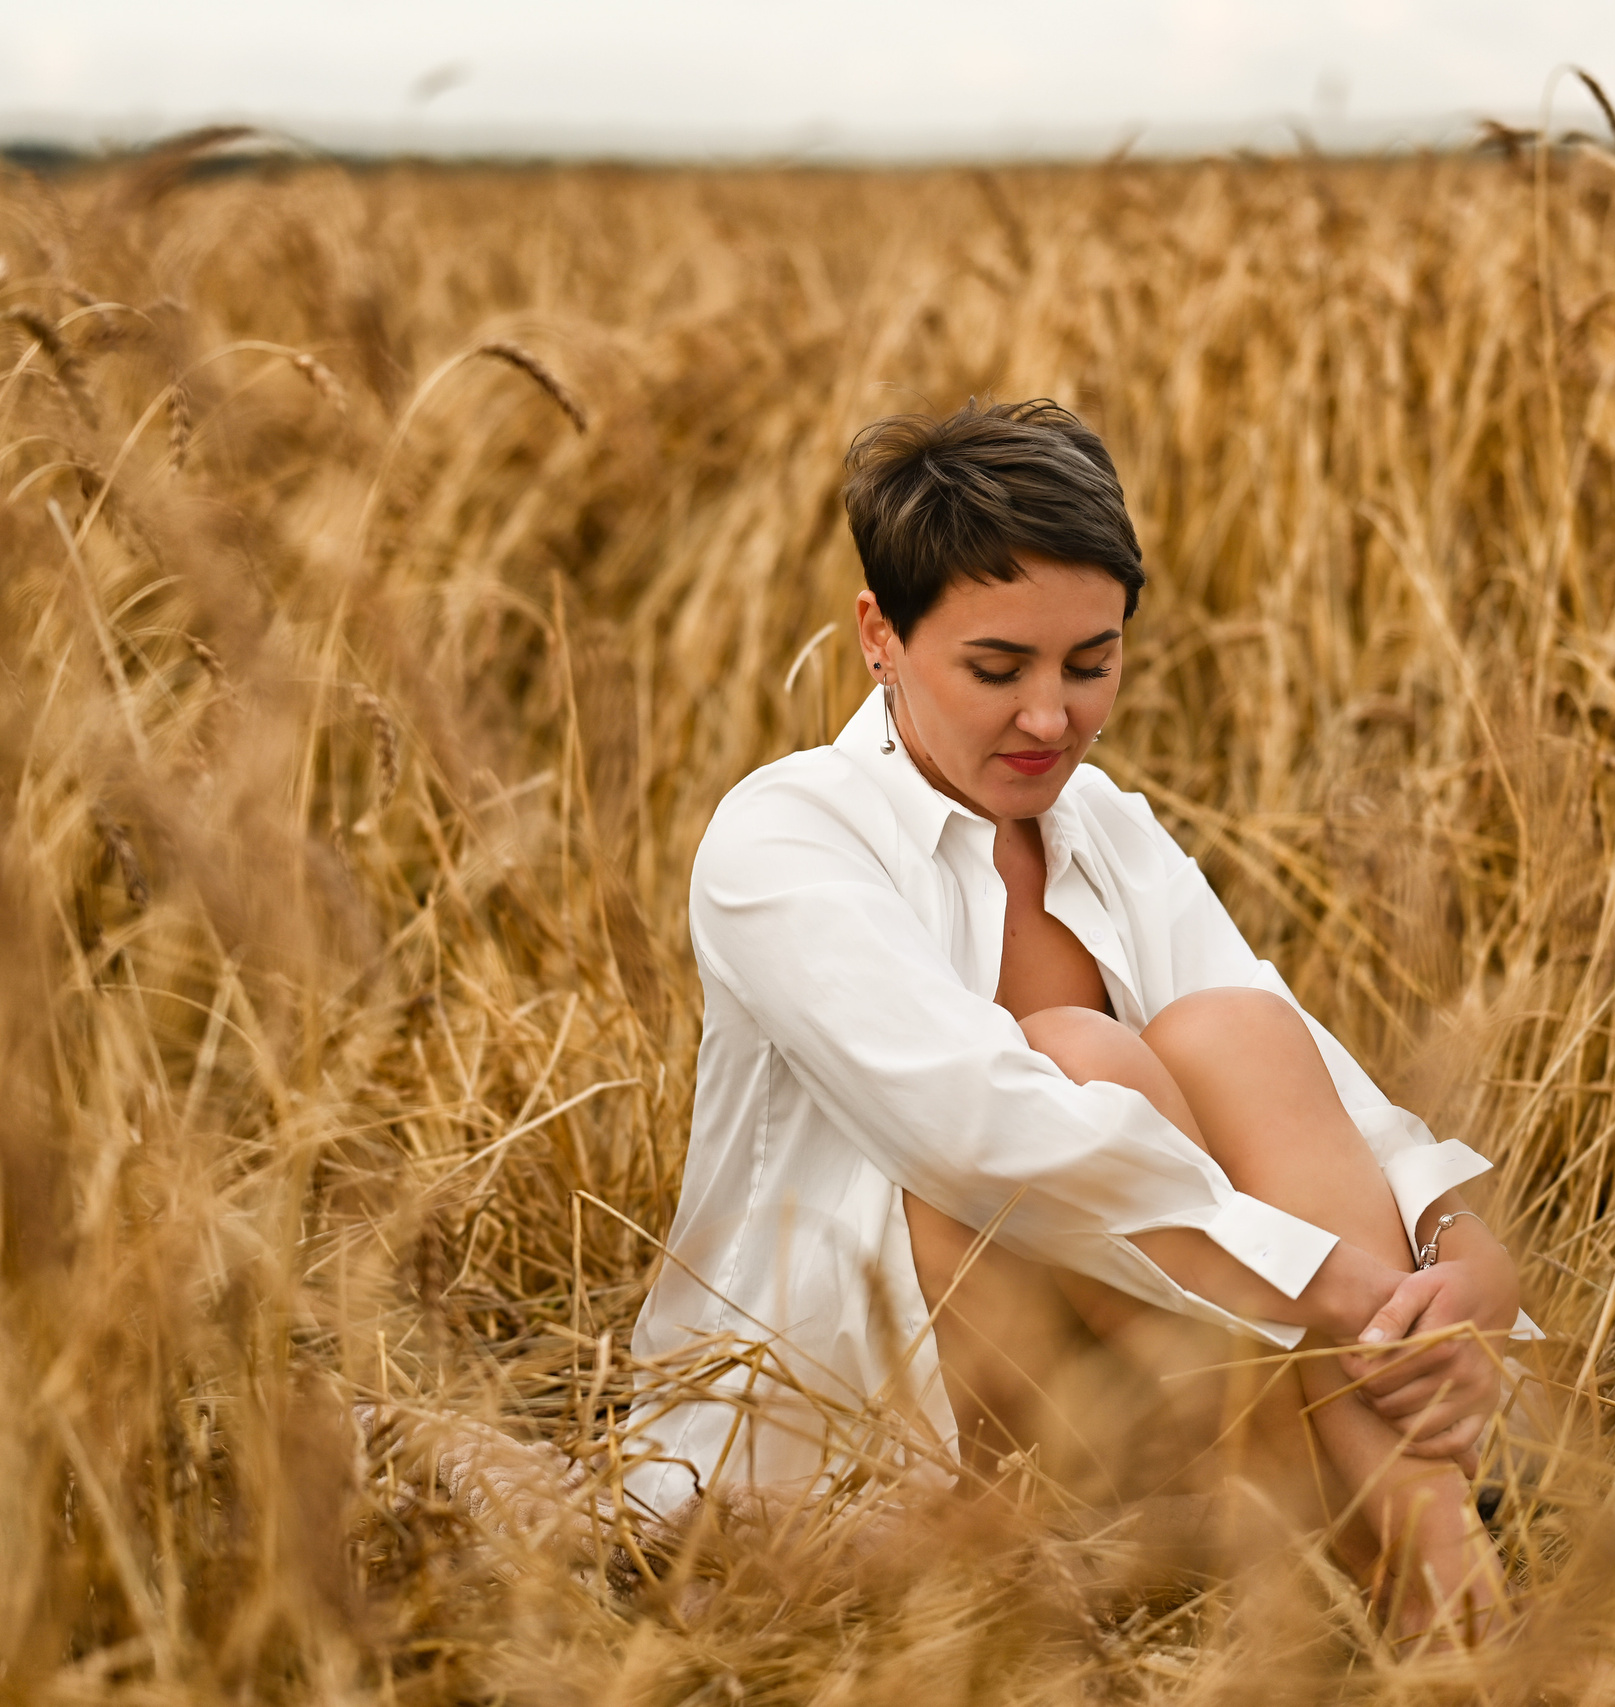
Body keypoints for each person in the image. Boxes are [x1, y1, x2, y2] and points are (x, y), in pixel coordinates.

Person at [625, 399, 1535, 1642]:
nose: (1050, 720)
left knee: (1231, 1033)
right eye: (996, 670)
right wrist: (1331, 1290)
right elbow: (973, 1131)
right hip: (888, 1411)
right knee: (1079, 1059)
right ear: (879, 638)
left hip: (1153, 1384)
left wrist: (1453, 1251)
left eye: (1089, 665)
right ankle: (1414, 1553)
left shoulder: (1104, 824)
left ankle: (1416, 1544)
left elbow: (1296, 1057)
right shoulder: (785, 835)